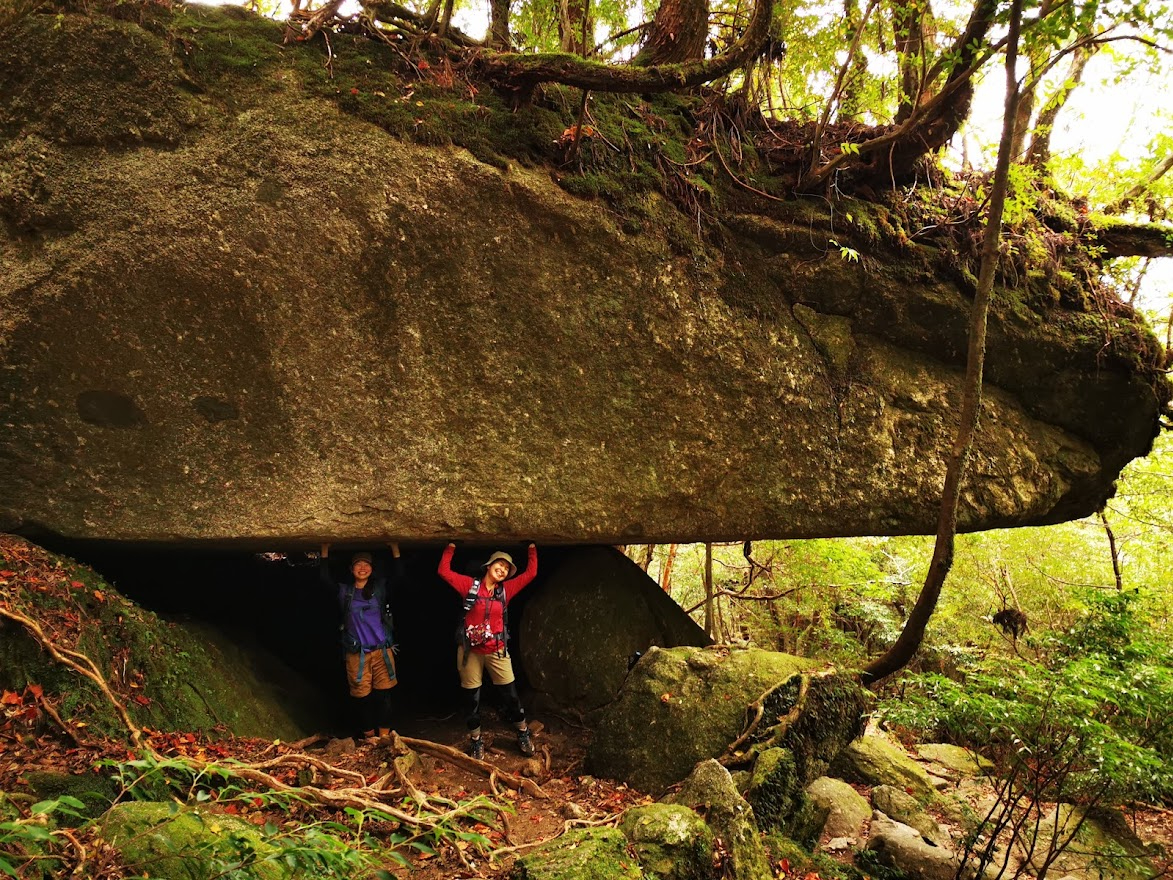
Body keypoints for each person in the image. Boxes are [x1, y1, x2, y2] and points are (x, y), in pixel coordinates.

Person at [438, 542, 538, 759]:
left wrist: (531, 549)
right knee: (472, 699)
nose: (502, 570)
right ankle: (476, 740)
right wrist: (450, 548)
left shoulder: (505, 590)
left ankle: (523, 732)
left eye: (506, 569)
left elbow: (531, 574)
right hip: (470, 652)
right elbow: (443, 572)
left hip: (497, 651)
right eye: (499, 565)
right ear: (489, 566)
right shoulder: (470, 586)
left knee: (511, 696)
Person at [320, 542, 402, 740]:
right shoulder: (345, 592)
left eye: (367, 564)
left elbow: (399, 577)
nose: (362, 568)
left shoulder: (380, 588)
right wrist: (324, 552)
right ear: (351, 569)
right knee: (362, 698)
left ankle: (384, 738)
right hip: (357, 654)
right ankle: (369, 739)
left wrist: (395, 549)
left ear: (372, 569)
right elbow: (325, 580)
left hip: (382, 651)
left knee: (384, 697)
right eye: (358, 564)